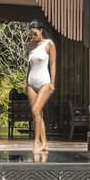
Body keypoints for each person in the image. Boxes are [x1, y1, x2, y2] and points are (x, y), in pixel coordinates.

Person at [26, 20, 57, 160]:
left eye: (35, 33)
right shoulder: (30, 46)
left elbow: (53, 64)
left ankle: (36, 142)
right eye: (31, 34)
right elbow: (29, 66)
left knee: (35, 110)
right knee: (38, 115)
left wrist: (52, 83)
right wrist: (26, 82)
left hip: (44, 82)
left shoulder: (49, 44)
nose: (33, 36)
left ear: (41, 30)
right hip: (31, 83)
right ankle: (44, 144)